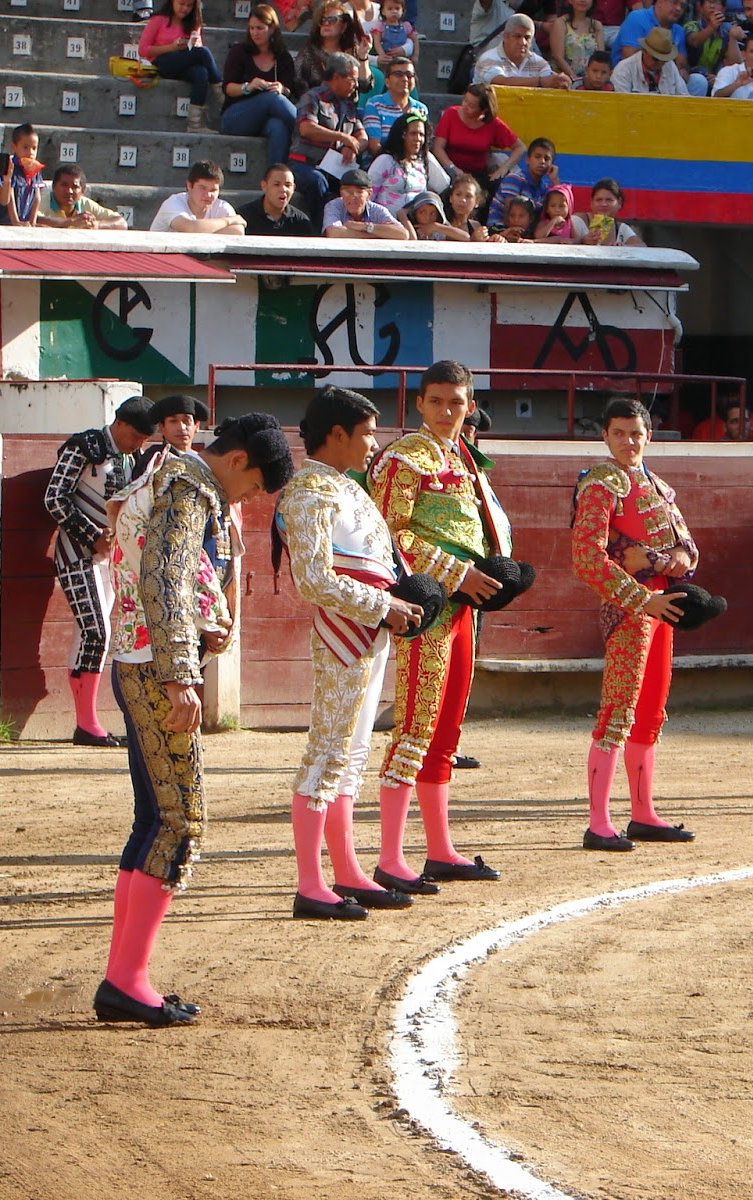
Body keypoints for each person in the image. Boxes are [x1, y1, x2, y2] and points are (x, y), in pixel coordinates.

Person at [95, 414, 294, 1027]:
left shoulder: (165, 475)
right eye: (255, 485)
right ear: (237, 461)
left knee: (155, 817)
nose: (250, 497)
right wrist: (183, 672)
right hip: (157, 668)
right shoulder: (189, 488)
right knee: (180, 819)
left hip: (136, 657)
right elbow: (167, 580)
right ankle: (126, 982)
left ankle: (124, 976)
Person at [276, 387, 427, 918]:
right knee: (329, 750)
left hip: (368, 629)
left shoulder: (346, 488)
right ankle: (311, 882)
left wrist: (395, 603)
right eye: (365, 434)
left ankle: (346, 871)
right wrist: (381, 604)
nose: (373, 443)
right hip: (347, 630)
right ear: (336, 435)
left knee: (352, 752)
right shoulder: (310, 491)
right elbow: (314, 580)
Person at [368, 360, 514, 893]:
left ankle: (439, 849)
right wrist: (457, 572)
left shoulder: (465, 459)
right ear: (420, 405)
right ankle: (389, 857)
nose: (447, 412)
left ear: (469, 405)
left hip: (463, 610)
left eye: (456, 402)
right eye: (437, 402)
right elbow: (387, 535)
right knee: (414, 725)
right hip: (428, 609)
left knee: (445, 730)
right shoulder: (404, 457)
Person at [571, 399, 703, 850]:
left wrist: (664, 560)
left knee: (650, 711)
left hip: (661, 605)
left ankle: (643, 813)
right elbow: (587, 558)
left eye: (636, 433)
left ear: (649, 436)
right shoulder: (601, 483)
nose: (629, 441)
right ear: (605, 437)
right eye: (619, 433)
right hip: (631, 608)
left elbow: (689, 548)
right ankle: (599, 821)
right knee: (618, 711)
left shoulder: (659, 486)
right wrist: (642, 598)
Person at [45, 397, 155, 749]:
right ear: (119, 424)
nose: (139, 444)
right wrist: (91, 536)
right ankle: (87, 723)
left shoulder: (134, 457)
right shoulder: (84, 447)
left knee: (95, 633)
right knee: (97, 631)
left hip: (114, 558)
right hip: (77, 554)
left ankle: (87, 723)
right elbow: (54, 497)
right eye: (136, 435)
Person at [290, 52, 366, 227]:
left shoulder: (348, 104)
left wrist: (353, 147)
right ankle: (322, 231)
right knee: (317, 182)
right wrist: (342, 137)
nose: (355, 86)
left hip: (336, 167)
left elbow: (362, 136)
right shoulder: (312, 97)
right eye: (352, 80)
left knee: (359, 182)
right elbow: (307, 128)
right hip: (305, 164)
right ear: (337, 77)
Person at [221, 3, 299, 171]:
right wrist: (248, 87)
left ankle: (276, 177)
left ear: (272, 28)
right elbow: (227, 88)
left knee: (278, 127)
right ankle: (307, 131)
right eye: (251, 28)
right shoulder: (239, 52)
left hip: (265, 121)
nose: (254, 33)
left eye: (260, 28)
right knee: (272, 99)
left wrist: (281, 88)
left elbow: (290, 90)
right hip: (235, 116)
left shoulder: (282, 57)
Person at [139, 0, 223, 132]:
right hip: (162, 62)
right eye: (181, 4)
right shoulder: (158, 19)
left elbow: (198, 48)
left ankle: (194, 124)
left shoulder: (193, 22)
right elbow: (143, 50)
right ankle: (221, 94)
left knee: (201, 72)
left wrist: (193, 45)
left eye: (189, 6)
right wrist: (172, 47)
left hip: (184, 63)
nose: (184, 8)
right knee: (204, 52)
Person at [432, 82, 526, 186]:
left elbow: (520, 148)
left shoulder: (493, 124)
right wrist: (452, 168)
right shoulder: (451, 114)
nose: (465, 106)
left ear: (484, 110)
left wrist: (503, 169)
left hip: (479, 176)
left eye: (471, 106)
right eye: (465, 100)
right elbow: (438, 147)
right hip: (450, 171)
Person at [368, 113, 449, 212]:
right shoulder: (385, 161)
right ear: (401, 135)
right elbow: (367, 196)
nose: (418, 139)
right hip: (385, 223)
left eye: (421, 134)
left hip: (414, 224)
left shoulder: (424, 162)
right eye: (413, 133)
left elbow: (443, 186)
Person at [296, 2, 374, 95]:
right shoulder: (308, 52)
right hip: (316, 105)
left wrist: (363, 56)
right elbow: (298, 85)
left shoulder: (352, 51)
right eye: (322, 20)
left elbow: (365, 86)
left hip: (347, 106)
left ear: (344, 26)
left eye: (332, 20)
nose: (326, 23)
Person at [478, 13, 574, 89]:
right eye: (517, 36)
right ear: (506, 37)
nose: (522, 42)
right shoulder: (488, 58)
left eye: (527, 38)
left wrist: (559, 81)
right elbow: (501, 82)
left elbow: (549, 79)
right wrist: (540, 81)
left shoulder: (539, 62)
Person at [150, 159, 245, 233]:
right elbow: (191, 227)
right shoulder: (173, 203)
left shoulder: (222, 207)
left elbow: (238, 231)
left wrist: (201, 231)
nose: (208, 195)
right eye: (202, 188)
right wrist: (228, 221)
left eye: (213, 190)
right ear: (189, 186)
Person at [360, 56, 427, 160]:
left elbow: (423, 145)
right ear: (387, 82)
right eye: (399, 74)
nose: (405, 79)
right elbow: (374, 146)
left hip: (413, 163)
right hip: (382, 162)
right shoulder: (375, 104)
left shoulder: (421, 109)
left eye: (409, 75)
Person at [486, 135, 557, 226]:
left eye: (546, 159)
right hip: (499, 227)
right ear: (528, 160)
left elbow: (558, 209)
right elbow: (510, 213)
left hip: (524, 232)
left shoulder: (544, 188)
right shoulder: (514, 179)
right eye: (537, 157)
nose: (542, 161)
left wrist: (555, 180)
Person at [324, 165, 409, 238]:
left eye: (359, 192)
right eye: (347, 192)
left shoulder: (377, 210)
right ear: (341, 193)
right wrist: (379, 235)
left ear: (369, 194)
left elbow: (403, 234)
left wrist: (364, 227)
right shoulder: (334, 206)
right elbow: (333, 232)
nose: (352, 197)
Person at [236, 162, 316, 235]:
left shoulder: (301, 222)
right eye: (276, 184)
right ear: (264, 186)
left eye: (288, 185)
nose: (283, 189)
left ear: (294, 188)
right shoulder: (244, 216)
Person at [37, 165, 126, 230]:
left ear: (83, 191)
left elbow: (121, 223)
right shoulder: (42, 202)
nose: (69, 191)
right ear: (54, 187)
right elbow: (36, 219)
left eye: (75, 187)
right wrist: (72, 221)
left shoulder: (87, 204)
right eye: (64, 185)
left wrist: (97, 225)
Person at [612, 25, 693, 94]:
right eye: (656, 59)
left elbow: (684, 97)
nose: (661, 64)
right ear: (644, 50)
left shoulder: (670, 65)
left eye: (664, 60)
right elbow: (620, 105)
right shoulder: (623, 70)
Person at [686, 0, 743, 95]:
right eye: (709, 2)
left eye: (716, 3)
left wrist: (718, 77)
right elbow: (694, 41)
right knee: (699, 80)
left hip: (714, 77)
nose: (712, 6)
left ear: (723, 9)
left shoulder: (726, 32)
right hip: (692, 77)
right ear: (701, 7)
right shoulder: (692, 26)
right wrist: (711, 27)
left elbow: (736, 64)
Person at [0, 122, 44, 227]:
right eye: (25, 147)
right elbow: (10, 195)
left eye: (34, 148)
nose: (30, 152)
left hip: (25, 221)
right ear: (14, 147)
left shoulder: (36, 169)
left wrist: (33, 222)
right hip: (5, 221)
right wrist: (15, 221)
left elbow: (37, 197)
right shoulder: (10, 166)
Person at [571, 176, 645, 246]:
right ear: (591, 203)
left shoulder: (621, 229)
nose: (603, 204)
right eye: (599, 200)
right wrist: (582, 241)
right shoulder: (577, 221)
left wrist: (625, 248)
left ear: (619, 203)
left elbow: (642, 246)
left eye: (609, 200)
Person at [552, 0, 608, 84]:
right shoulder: (560, 23)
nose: (583, 0)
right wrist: (575, 78)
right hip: (566, 79)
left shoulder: (596, 25)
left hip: (592, 80)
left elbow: (600, 57)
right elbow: (558, 57)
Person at [370, 0, 418, 65]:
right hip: (387, 59)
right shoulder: (381, 25)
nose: (394, 11)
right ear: (383, 11)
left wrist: (415, 56)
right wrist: (382, 54)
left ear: (402, 11)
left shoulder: (406, 25)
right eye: (390, 9)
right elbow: (377, 41)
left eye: (397, 8)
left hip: (403, 59)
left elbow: (415, 40)